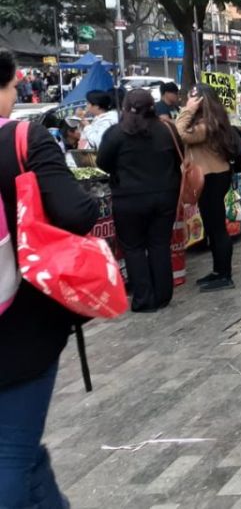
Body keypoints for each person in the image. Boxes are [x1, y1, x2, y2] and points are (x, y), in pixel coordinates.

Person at [0, 51, 99, 509]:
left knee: (23, 448)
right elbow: (76, 212)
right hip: (20, 323)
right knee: (12, 454)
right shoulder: (23, 138)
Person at [96, 90, 182, 312]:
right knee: (159, 244)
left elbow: (103, 162)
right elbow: (178, 155)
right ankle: (163, 295)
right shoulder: (166, 130)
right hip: (165, 196)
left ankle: (144, 298)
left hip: (129, 199)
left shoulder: (116, 133)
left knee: (133, 248)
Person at [176, 84, 240, 291]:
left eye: (191, 98)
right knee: (212, 227)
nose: (188, 101)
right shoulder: (214, 120)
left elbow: (180, 133)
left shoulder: (206, 124)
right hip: (213, 175)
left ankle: (224, 275)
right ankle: (218, 271)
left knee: (217, 228)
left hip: (212, 177)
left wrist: (188, 110)